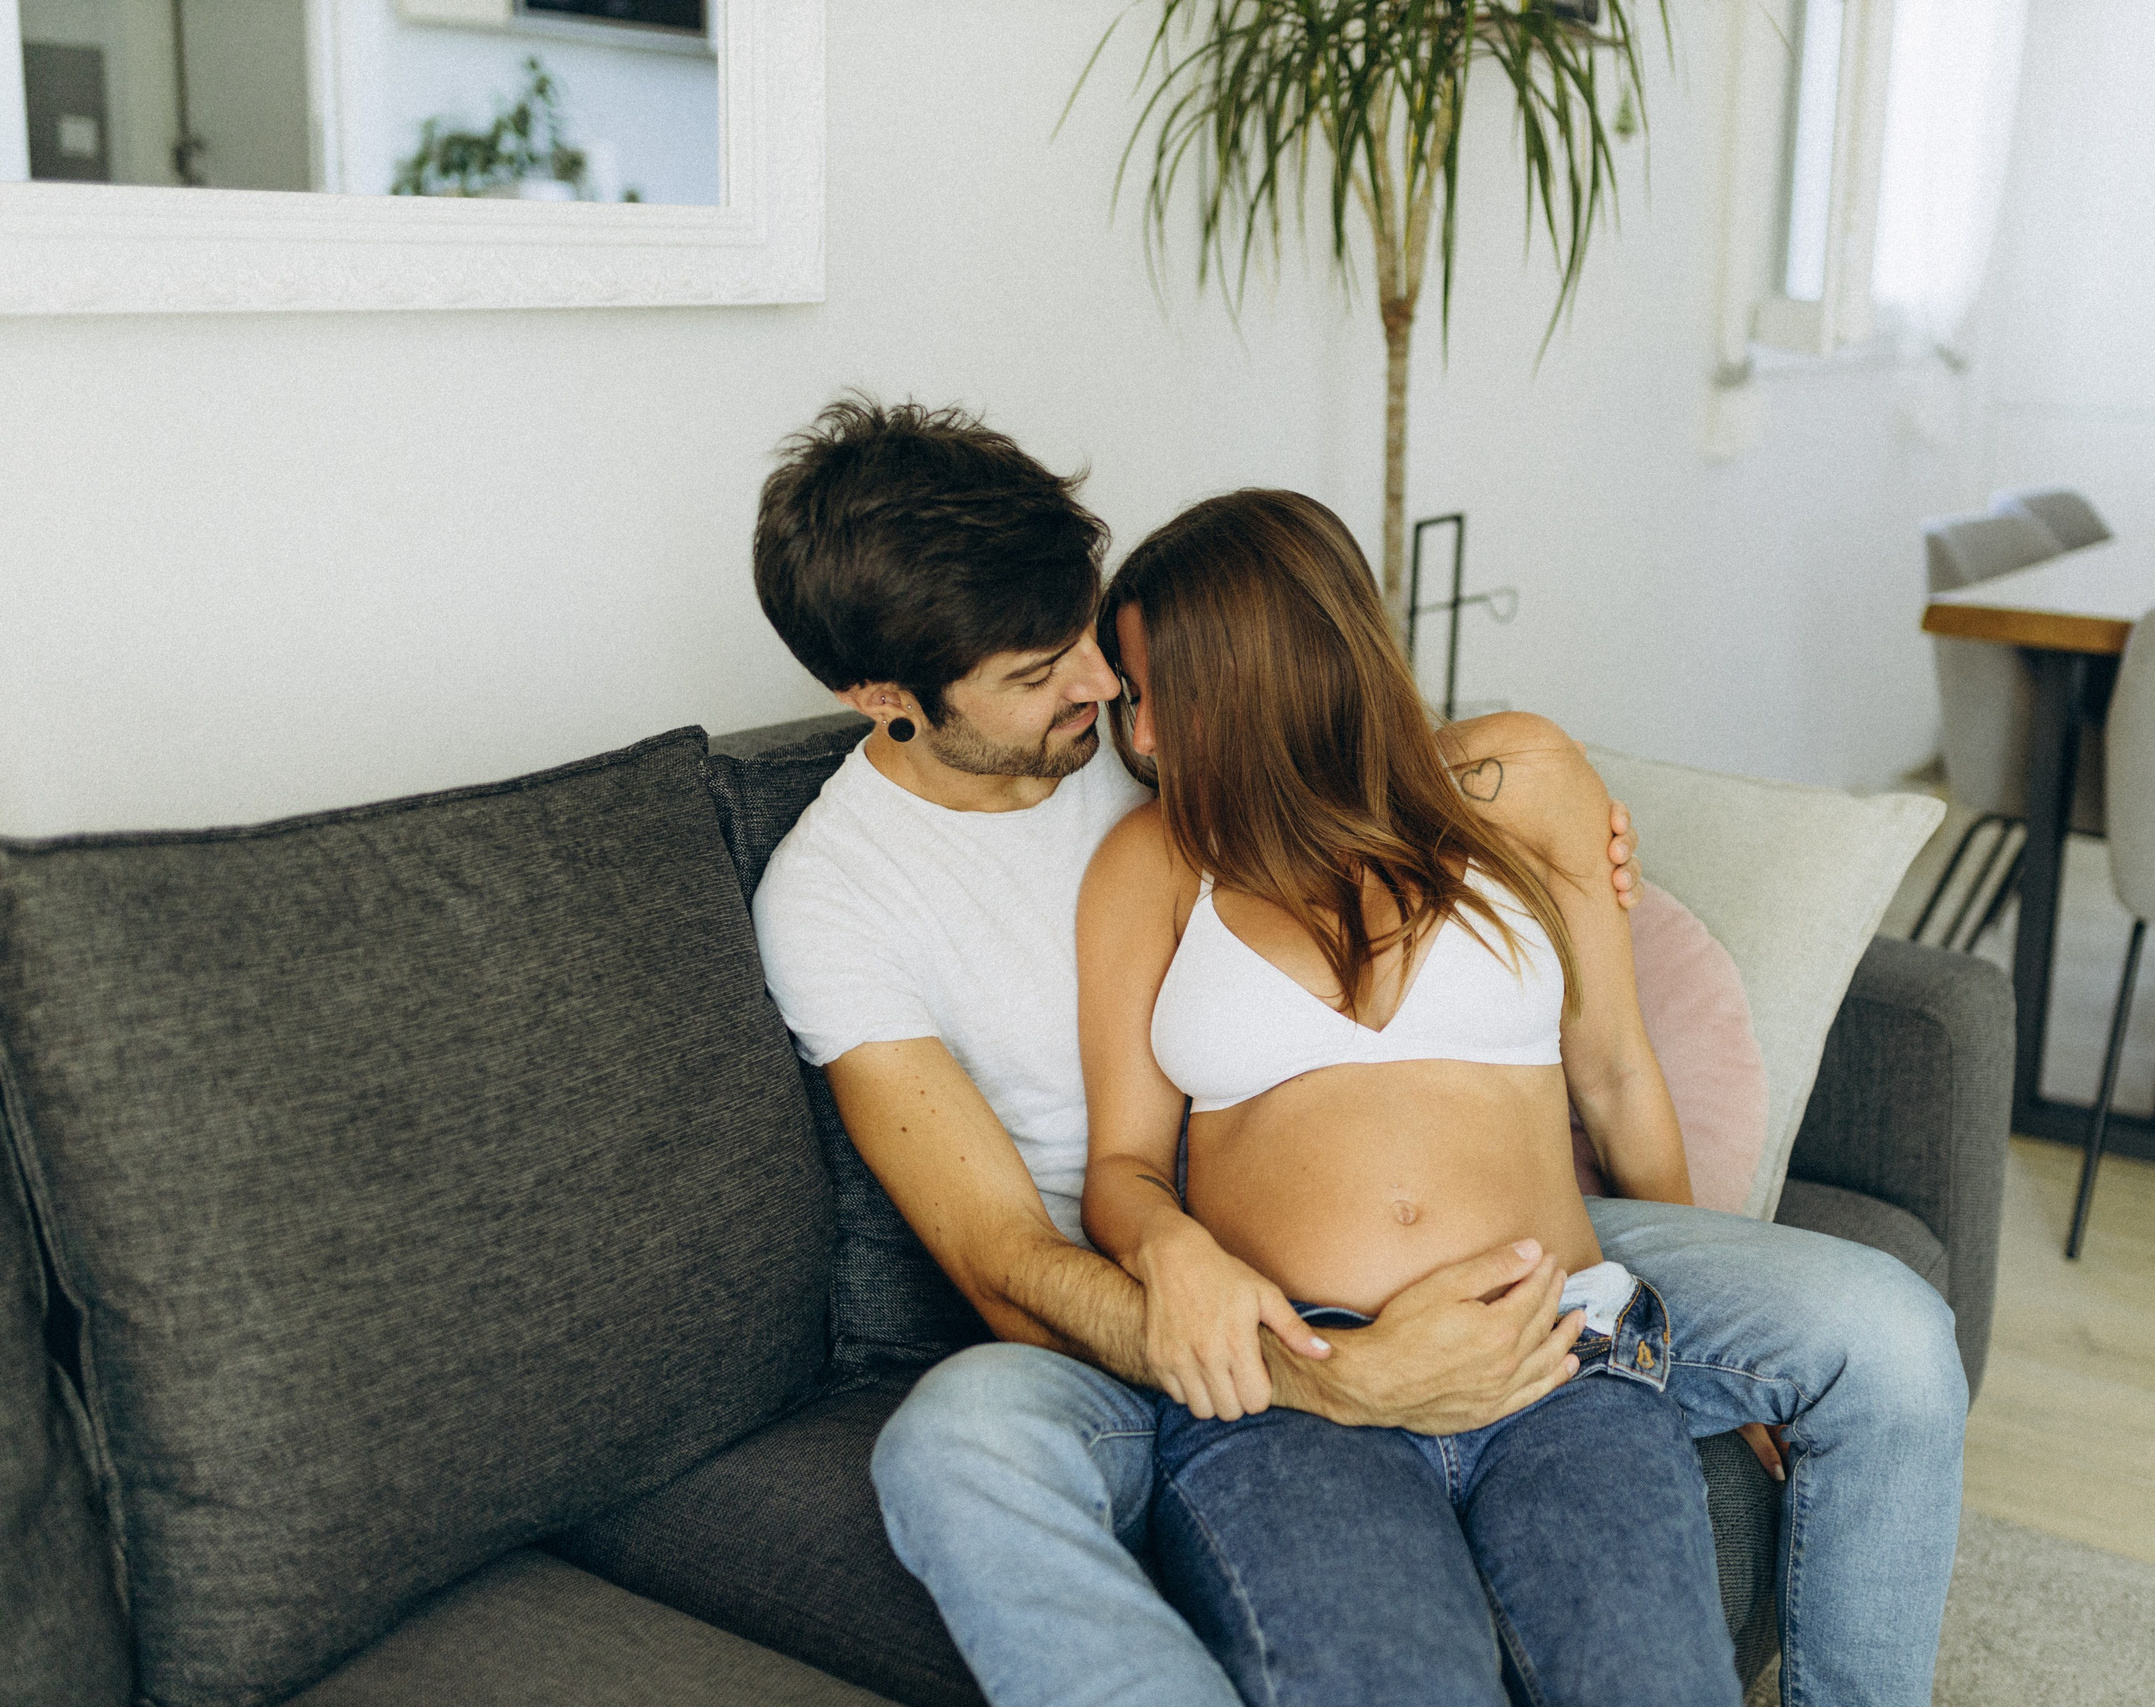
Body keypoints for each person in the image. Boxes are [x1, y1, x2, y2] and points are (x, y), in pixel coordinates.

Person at [747, 394, 1968, 1707]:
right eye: (1044, 673)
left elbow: (1334, 763)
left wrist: (1549, 828)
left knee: (1891, 1338)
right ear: (885, 698)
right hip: (1176, 1302)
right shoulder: (848, 896)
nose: (1105, 699)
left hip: (1523, 1263)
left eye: (1095, 647)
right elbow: (1007, 1261)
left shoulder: (1160, 746)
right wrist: (1312, 1361)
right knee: (953, 1439)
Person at [1077, 488, 1740, 1705]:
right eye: (1132, 697)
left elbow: (1614, 1072)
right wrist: (1173, 1248)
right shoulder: (1151, 861)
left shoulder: (1520, 778)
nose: (1144, 736)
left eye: (1158, 690)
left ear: (1267, 671)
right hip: (1294, 1384)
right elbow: (1119, 1169)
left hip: (1558, 1353)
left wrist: (1700, 1328)